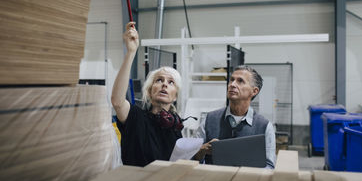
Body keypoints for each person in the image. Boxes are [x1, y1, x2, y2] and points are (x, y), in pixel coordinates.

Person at [111, 22, 183, 167]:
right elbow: (117, 102)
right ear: (150, 91)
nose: (164, 84)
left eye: (171, 82)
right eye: (159, 80)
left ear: (175, 96)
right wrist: (131, 53)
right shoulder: (137, 118)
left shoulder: (175, 127)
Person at [194, 65, 276, 168]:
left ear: (254, 91)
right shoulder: (209, 119)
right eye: (231, 80)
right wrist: (203, 149)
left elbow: (269, 166)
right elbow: (191, 157)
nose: (232, 84)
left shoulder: (264, 126)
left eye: (240, 81)